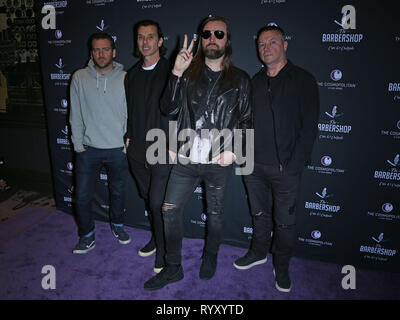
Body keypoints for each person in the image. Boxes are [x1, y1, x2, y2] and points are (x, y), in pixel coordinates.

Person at [144, 16, 252, 290]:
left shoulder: (241, 79)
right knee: (169, 210)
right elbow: (168, 109)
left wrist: (236, 151)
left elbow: (247, 120)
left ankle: (210, 257)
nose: (212, 38)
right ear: (201, 39)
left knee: (215, 215)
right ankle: (173, 267)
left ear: (227, 40)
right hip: (186, 159)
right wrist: (176, 73)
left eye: (219, 33)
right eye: (206, 34)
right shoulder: (186, 73)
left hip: (219, 161)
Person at [233, 25, 320, 292]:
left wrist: (294, 166)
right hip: (253, 167)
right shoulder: (254, 81)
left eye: (272, 42)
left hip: (286, 170)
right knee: (259, 214)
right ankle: (259, 253)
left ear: (284, 45)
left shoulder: (303, 79)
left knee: (284, 223)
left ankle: (281, 266)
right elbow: (242, 122)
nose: (266, 48)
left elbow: (309, 128)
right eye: (261, 44)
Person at [69, 32, 130, 254]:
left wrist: (126, 144)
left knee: (118, 192)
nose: (101, 54)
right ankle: (86, 236)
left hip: (117, 149)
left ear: (114, 52)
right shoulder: (79, 77)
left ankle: (118, 225)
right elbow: (74, 112)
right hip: (88, 149)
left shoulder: (125, 78)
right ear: (91, 53)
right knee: (83, 197)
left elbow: (130, 114)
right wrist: (77, 143)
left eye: (105, 49)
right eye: (96, 49)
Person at [124, 20, 172, 273]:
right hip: (136, 151)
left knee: (157, 203)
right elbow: (131, 111)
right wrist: (129, 136)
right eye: (141, 37)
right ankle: (156, 238)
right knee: (148, 199)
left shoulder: (172, 71)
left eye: (151, 36)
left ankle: (164, 251)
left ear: (160, 41)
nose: (145, 41)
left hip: (162, 149)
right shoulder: (131, 74)